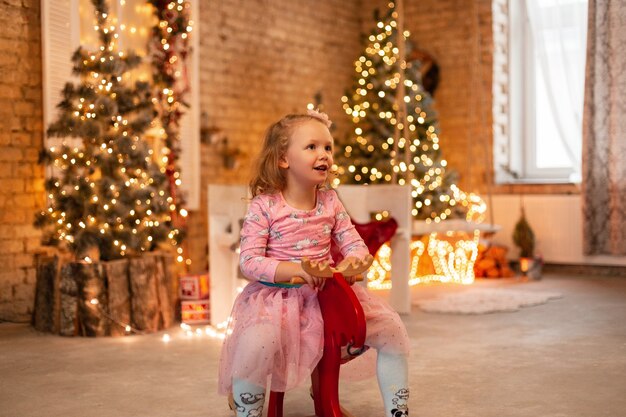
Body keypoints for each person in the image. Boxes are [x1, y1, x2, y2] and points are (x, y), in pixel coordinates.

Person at [217, 110, 410, 417]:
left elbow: (352, 241)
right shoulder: (265, 206)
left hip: (325, 296)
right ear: (283, 158)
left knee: (391, 327)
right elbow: (249, 261)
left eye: (328, 148)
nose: (324, 155)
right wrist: (294, 271)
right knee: (256, 343)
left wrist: (354, 262)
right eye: (312, 147)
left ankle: (397, 412)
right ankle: (247, 409)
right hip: (277, 300)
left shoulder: (330, 201)